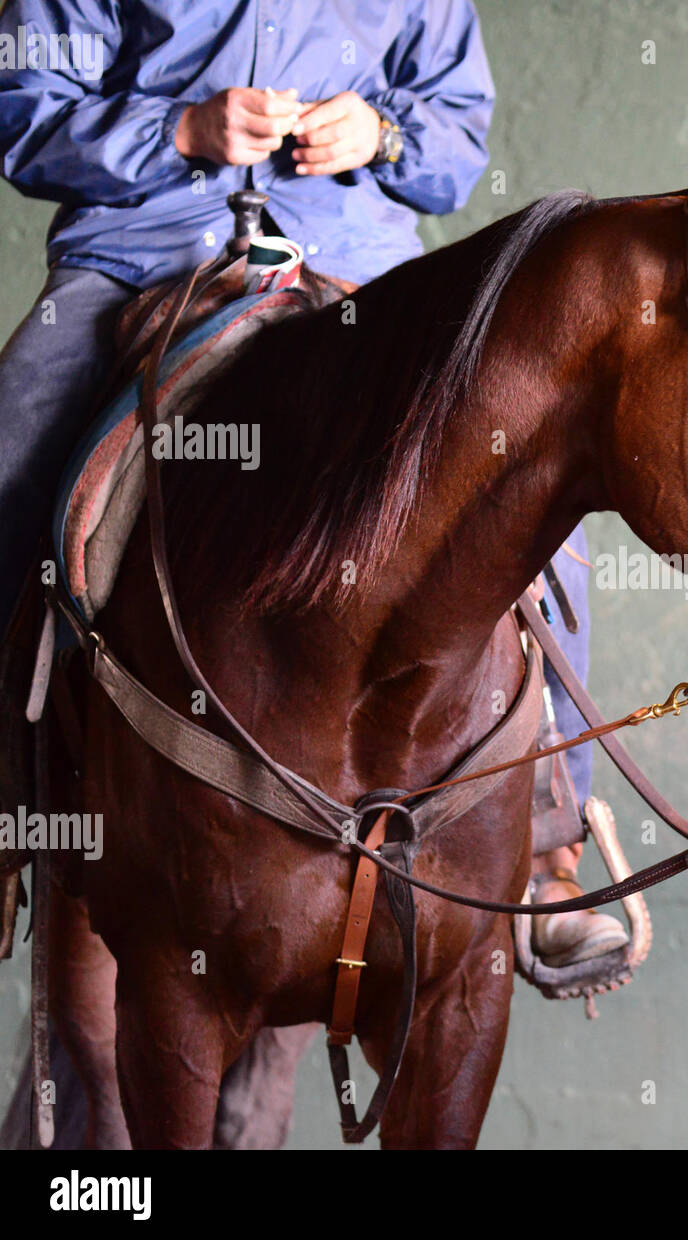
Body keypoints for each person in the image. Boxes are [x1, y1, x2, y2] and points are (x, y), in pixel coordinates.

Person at [0, 1, 624, 974]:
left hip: (359, 269)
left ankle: (551, 848)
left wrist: (382, 134)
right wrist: (177, 131)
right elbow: (23, 107)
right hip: (137, 254)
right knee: (14, 442)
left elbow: (453, 143)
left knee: (530, 488)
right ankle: (8, 809)